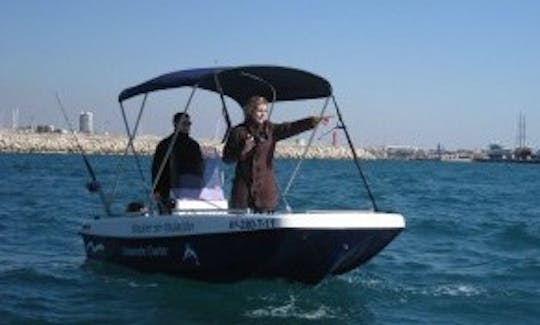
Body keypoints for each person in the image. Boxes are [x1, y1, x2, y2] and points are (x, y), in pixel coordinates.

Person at [223, 95, 328, 212]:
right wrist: (243, 151)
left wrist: (312, 121)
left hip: (265, 191)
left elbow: (290, 127)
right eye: (259, 111)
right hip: (243, 192)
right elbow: (227, 159)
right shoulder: (238, 132)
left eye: (265, 111)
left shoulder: (271, 130)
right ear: (250, 111)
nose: (262, 114)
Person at [152, 112, 203, 213]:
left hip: (191, 189)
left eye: (189, 124)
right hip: (167, 188)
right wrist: (156, 189)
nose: (187, 126)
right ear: (175, 124)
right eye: (184, 123)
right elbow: (157, 168)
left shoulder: (194, 145)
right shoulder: (165, 144)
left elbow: (200, 167)